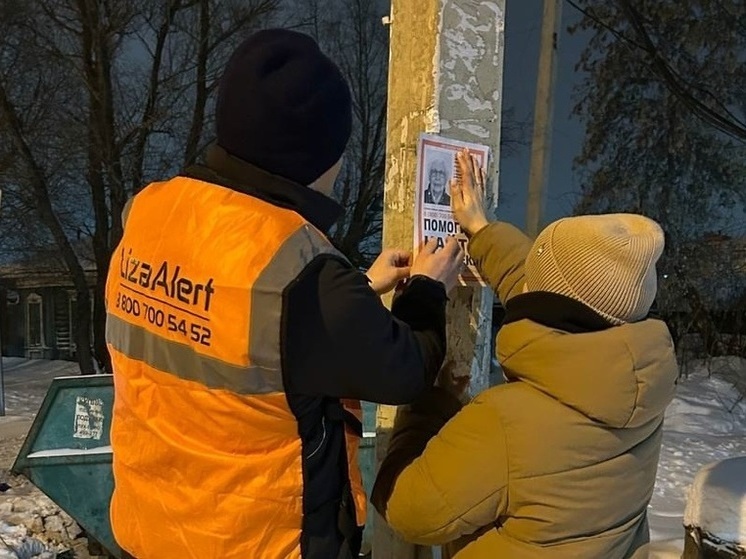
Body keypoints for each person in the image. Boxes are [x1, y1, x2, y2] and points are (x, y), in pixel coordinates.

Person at [105, 29, 464, 559]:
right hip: (256, 543)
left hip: (153, 528)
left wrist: (357, 290)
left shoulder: (151, 213)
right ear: (314, 156)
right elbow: (404, 369)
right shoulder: (303, 272)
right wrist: (430, 289)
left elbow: (245, 331)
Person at [371, 149, 679, 558]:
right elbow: (544, 290)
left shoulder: (509, 422)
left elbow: (411, 509)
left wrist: (427, 405)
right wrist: (482, 229)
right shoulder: (637, 383)